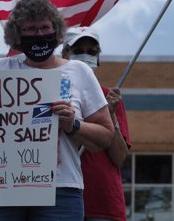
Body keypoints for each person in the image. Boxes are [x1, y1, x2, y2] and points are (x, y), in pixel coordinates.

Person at [0, 0, 115, 221]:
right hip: (2, 189)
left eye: (44, 28)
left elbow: (105, 136)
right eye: (30, 29)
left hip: (60, 191)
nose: (38, 34)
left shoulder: (79, 72)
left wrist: (74, 124)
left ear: (56, 31)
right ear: (17, 35)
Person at [61, 26, 132, 221]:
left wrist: (110, 115)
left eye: (92, 51)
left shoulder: (110, 98)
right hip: (60, 202)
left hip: (103, 205)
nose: (85, 56)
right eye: (78, 50)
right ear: (64, 53)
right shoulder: (53, 93)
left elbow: (119, 158)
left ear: (98, 58)